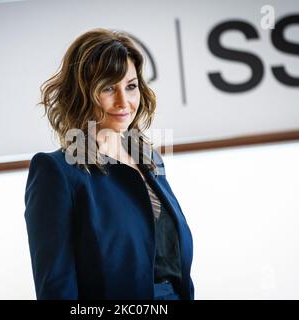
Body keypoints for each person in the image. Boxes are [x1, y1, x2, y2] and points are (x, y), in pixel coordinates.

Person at [24, 28, 194, 300]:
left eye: (130, 86)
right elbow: (56, 288)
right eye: (107, 88)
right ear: (81, 93)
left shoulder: (151, 161)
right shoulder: (57, 171)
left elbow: (172, 265)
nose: (123, 101)